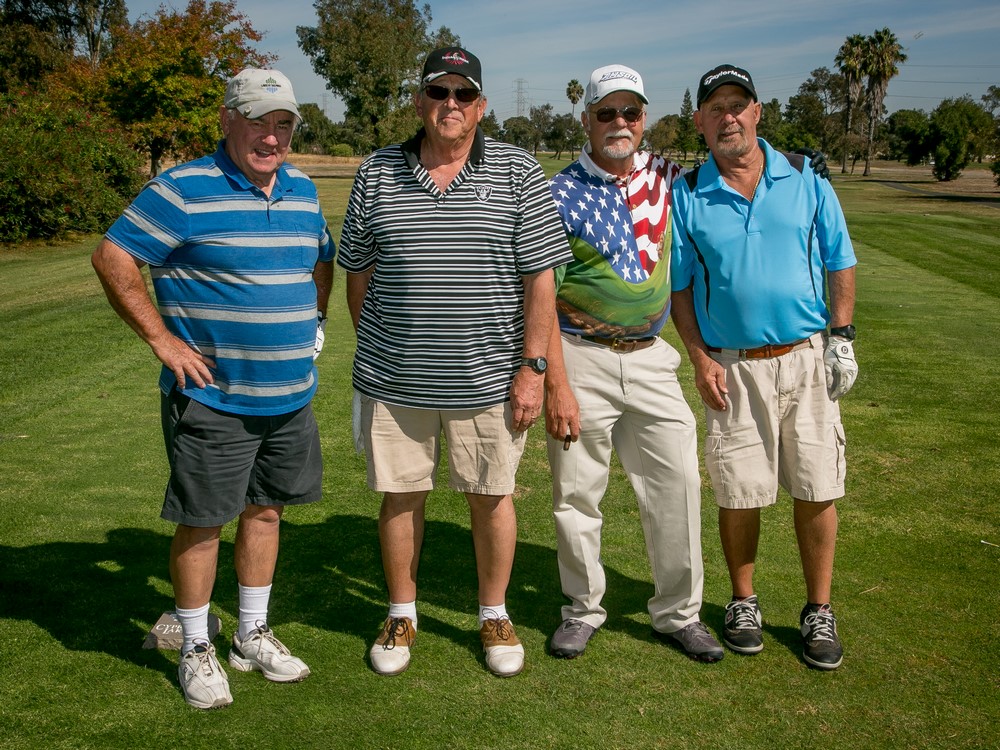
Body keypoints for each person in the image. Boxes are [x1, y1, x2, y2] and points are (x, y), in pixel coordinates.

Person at [92, 68, 334, 708]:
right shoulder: (182, 189)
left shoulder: (304, 189)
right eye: (258, 121)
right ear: (227, 120)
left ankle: (251, 632)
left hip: (290, 396)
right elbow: (113, 257)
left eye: (283, 124)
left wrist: (316, 320)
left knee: (266, 511)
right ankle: (196, 644)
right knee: (203, 522)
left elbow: (320, 255)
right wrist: (163, 342)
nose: (271, 136)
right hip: (213, 398)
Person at [337, 47, 571, 678]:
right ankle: (402, 612)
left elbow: (541, 282)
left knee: (492, 496)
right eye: (438, 93)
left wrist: (533, 368)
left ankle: (494, 612)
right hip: (394, 379)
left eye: (462, 95)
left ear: (480, 107)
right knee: (400, 496)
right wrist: (390, 344)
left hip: (491, 377)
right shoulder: (377, 172)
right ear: (419, 102)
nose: (450, 105)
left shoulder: (520, 172)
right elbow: (357, 275)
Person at [669, 64, 859, 671]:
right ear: (700, 122)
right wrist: (698, 358)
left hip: (805, 358)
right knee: (738, 490)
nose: (728, 116)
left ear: (757, 113)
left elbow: (840, 258)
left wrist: (842, 336)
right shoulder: (689, 192)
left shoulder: (805, 177)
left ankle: (819, 609)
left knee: (817, 485)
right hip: (733, 366)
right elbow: (679, 289)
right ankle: (743, 601)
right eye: (715, 107)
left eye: (738, 105)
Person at [542, 64, 724, 662]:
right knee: (577, 495)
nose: (619, 123)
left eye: (630, 112)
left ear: (644, 118)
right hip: (579, 357)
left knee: (679, 485)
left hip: (652, 360)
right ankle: (582, 608)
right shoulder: (559, 194)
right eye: (606, 113)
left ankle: (679, 614)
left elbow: (735, 158)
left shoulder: (671, 179)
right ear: (587, 120)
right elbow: (540, 297)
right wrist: (557, 385)